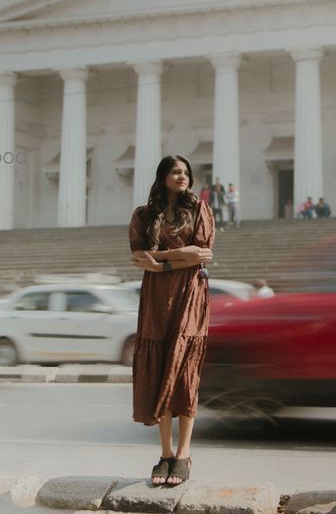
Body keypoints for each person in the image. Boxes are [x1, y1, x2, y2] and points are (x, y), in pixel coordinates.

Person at [128, 155, 214, 488]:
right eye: (176, 172)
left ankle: (183, 454)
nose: (182, 177)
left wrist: (160, 258)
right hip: (156, 300)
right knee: (162, 365)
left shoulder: (200, 211)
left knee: (185, 371)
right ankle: (165, 454)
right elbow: (139, 257)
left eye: (186, 172)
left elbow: (203, 253)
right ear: (162, 176)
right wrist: (176, 258)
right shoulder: (143, 215)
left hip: (190, 296)